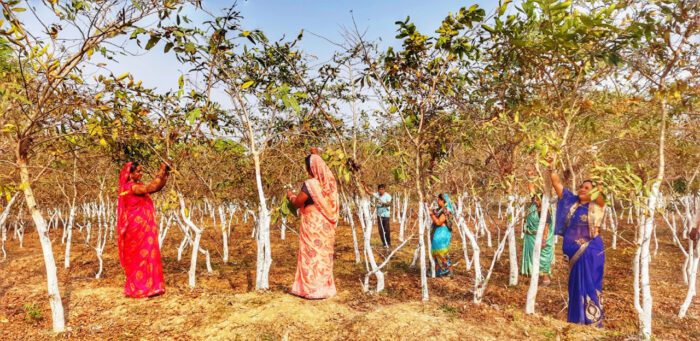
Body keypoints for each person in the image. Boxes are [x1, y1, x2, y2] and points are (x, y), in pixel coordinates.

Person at [549, 158, 606, 326]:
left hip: (591, 251)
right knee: (575, 287)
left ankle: (592, 320)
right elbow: (556, 184)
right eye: (581, 186)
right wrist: (551, 167)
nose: (582, 189)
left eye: (587, 188)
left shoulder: (597, 205)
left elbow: (602, 193)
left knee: (591, 284)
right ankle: (576, 320)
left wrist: (597, 165)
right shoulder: (570, 201)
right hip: (574, 255)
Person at [287, 149, 339, 299]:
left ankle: (311, 289)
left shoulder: (310, 185)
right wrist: (315, 154)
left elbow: (297, 203)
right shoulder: (330, 186)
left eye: (307, 167)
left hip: (313, 226)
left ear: (311, 168)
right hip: (326, 227)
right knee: (323, 255)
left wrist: (290, 195)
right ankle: (325, 288)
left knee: (311, 254)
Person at [117, 161, 170, 298]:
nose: (140, 174)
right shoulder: (132, 187)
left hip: (143, 227)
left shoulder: (135, 186)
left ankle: (151, 286)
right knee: (139, 257)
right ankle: (140, 288)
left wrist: (165, 173)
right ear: (130, 173)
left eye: (141, 171)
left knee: (148, 253)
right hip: (136, 228)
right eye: (138, 171)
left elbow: (156, 187)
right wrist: (161, 171)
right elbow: (151, 188)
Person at [521, 172, 555, 285]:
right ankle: (534, 276)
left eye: (537, 198)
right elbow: (531, 190)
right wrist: (531, 177)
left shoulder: (544, 210)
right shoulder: (534, 205)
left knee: (543, 258)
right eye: (535, 198)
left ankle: (545, 278)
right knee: (533, 257)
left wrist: (544, 239)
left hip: (540, 237)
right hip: (531, 237)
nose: (535, 199)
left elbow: (546, 225)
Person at [429, 193, 454, 277]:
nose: (437, 201)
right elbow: (434, 211)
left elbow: (438, 222)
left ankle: (447, 270)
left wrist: (431, 215)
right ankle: (437, 271)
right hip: (441, 233)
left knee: (440, 252)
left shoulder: (446, 210)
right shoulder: (441, 209)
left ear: (443, 201)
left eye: (439, 200)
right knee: (438, 252)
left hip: (441, 233)